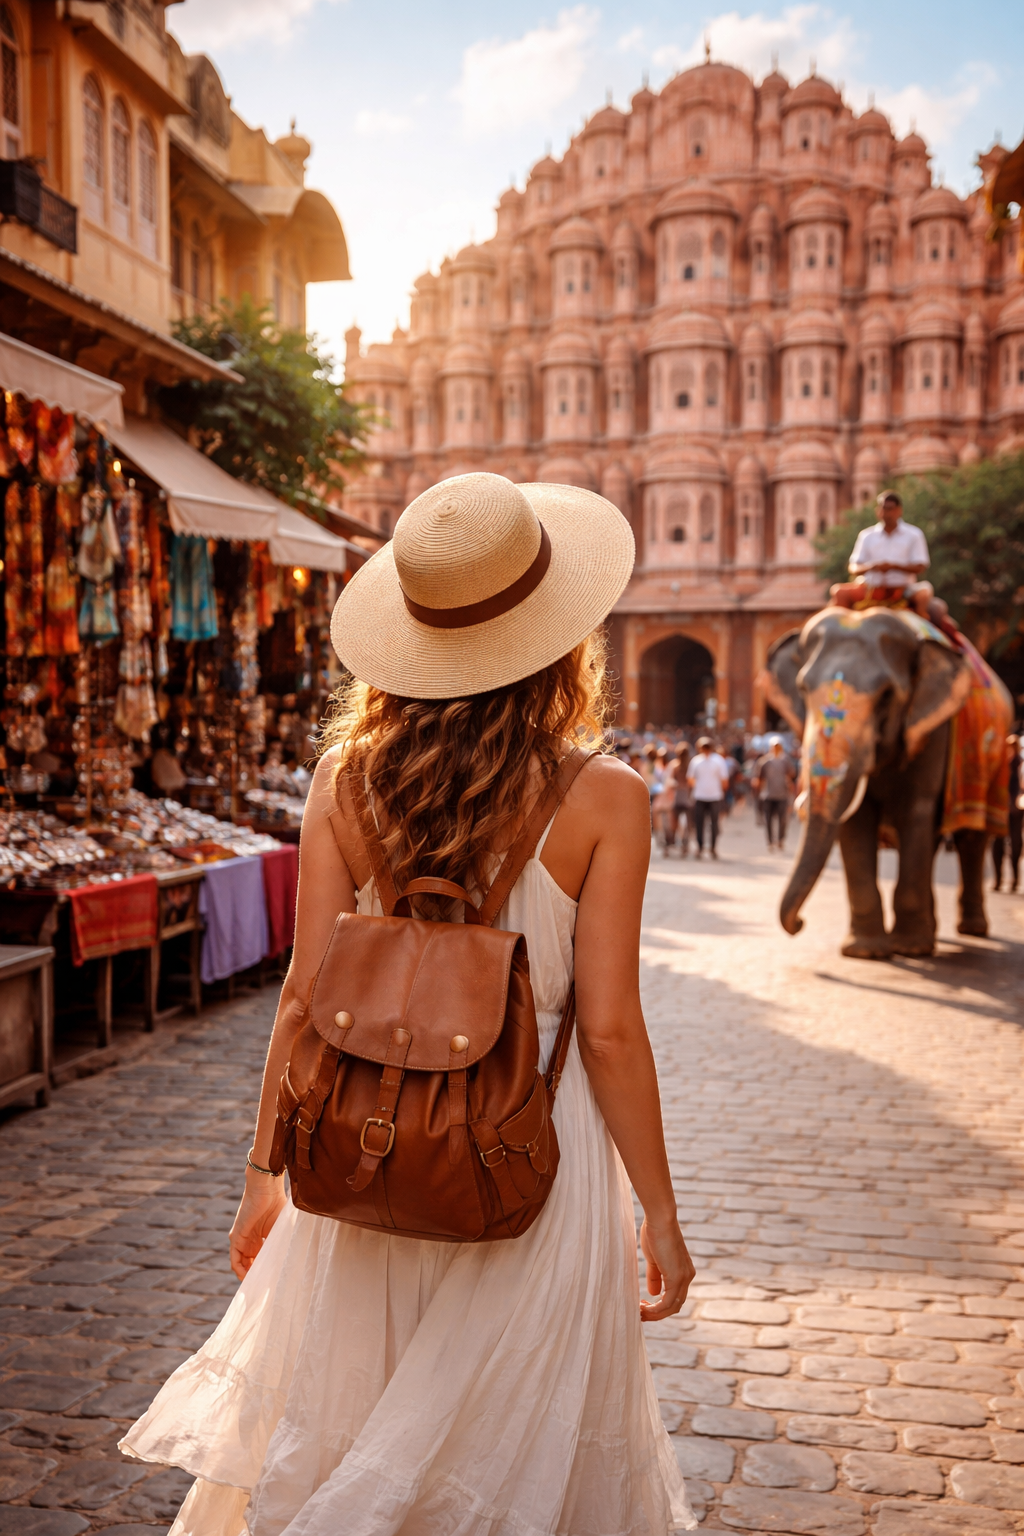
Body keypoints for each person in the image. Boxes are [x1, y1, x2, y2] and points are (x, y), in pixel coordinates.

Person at [120, 474, 697, 1534]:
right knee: (517, 1451)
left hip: (367, 1141)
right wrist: (658, 1211)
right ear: (559, 636)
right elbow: (610, 1031)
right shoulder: (606, 796)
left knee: (351, 1415)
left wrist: (262, 1177)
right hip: (536, 1154)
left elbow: (304, 995)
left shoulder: (344, 779)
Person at [829, 490, 930, 612]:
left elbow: (920, 566)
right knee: (839, 592)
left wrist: (894, 567)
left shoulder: (914, 534)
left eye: (890, 509)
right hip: (870, 589)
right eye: (883, 508)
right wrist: (873, 567)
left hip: (903, 589)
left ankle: (923, 623)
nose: (886, 513)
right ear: (877, 511)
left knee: (923, 595)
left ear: (899, 510)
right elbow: (853, 568)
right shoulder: (867, 535)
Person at [686, 735, 730, 859]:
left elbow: (724, 780)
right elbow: (690, 779)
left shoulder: (717, 760)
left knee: (712, 823)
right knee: (701, 823)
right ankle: (702, 847)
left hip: (712, 796)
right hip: (702, 796)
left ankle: (711, 847)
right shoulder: (697, 761)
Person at [992, 734, 1023, 892]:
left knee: (1015, 845)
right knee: (997, 845)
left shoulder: (1020, 765)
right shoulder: (1001, 763)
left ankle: (1015, 879)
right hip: (1001, 808)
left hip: (1016, 810)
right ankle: (998, 879)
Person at [754, 738, 796, 850]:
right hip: (768, 795)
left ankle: (780, 840)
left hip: (782, 795)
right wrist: (758, 794)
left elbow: (792, 774)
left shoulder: (785, 761)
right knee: (768, 820)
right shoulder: (764, 762)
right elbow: (759, 779)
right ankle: (770, 841)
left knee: (782, 820)